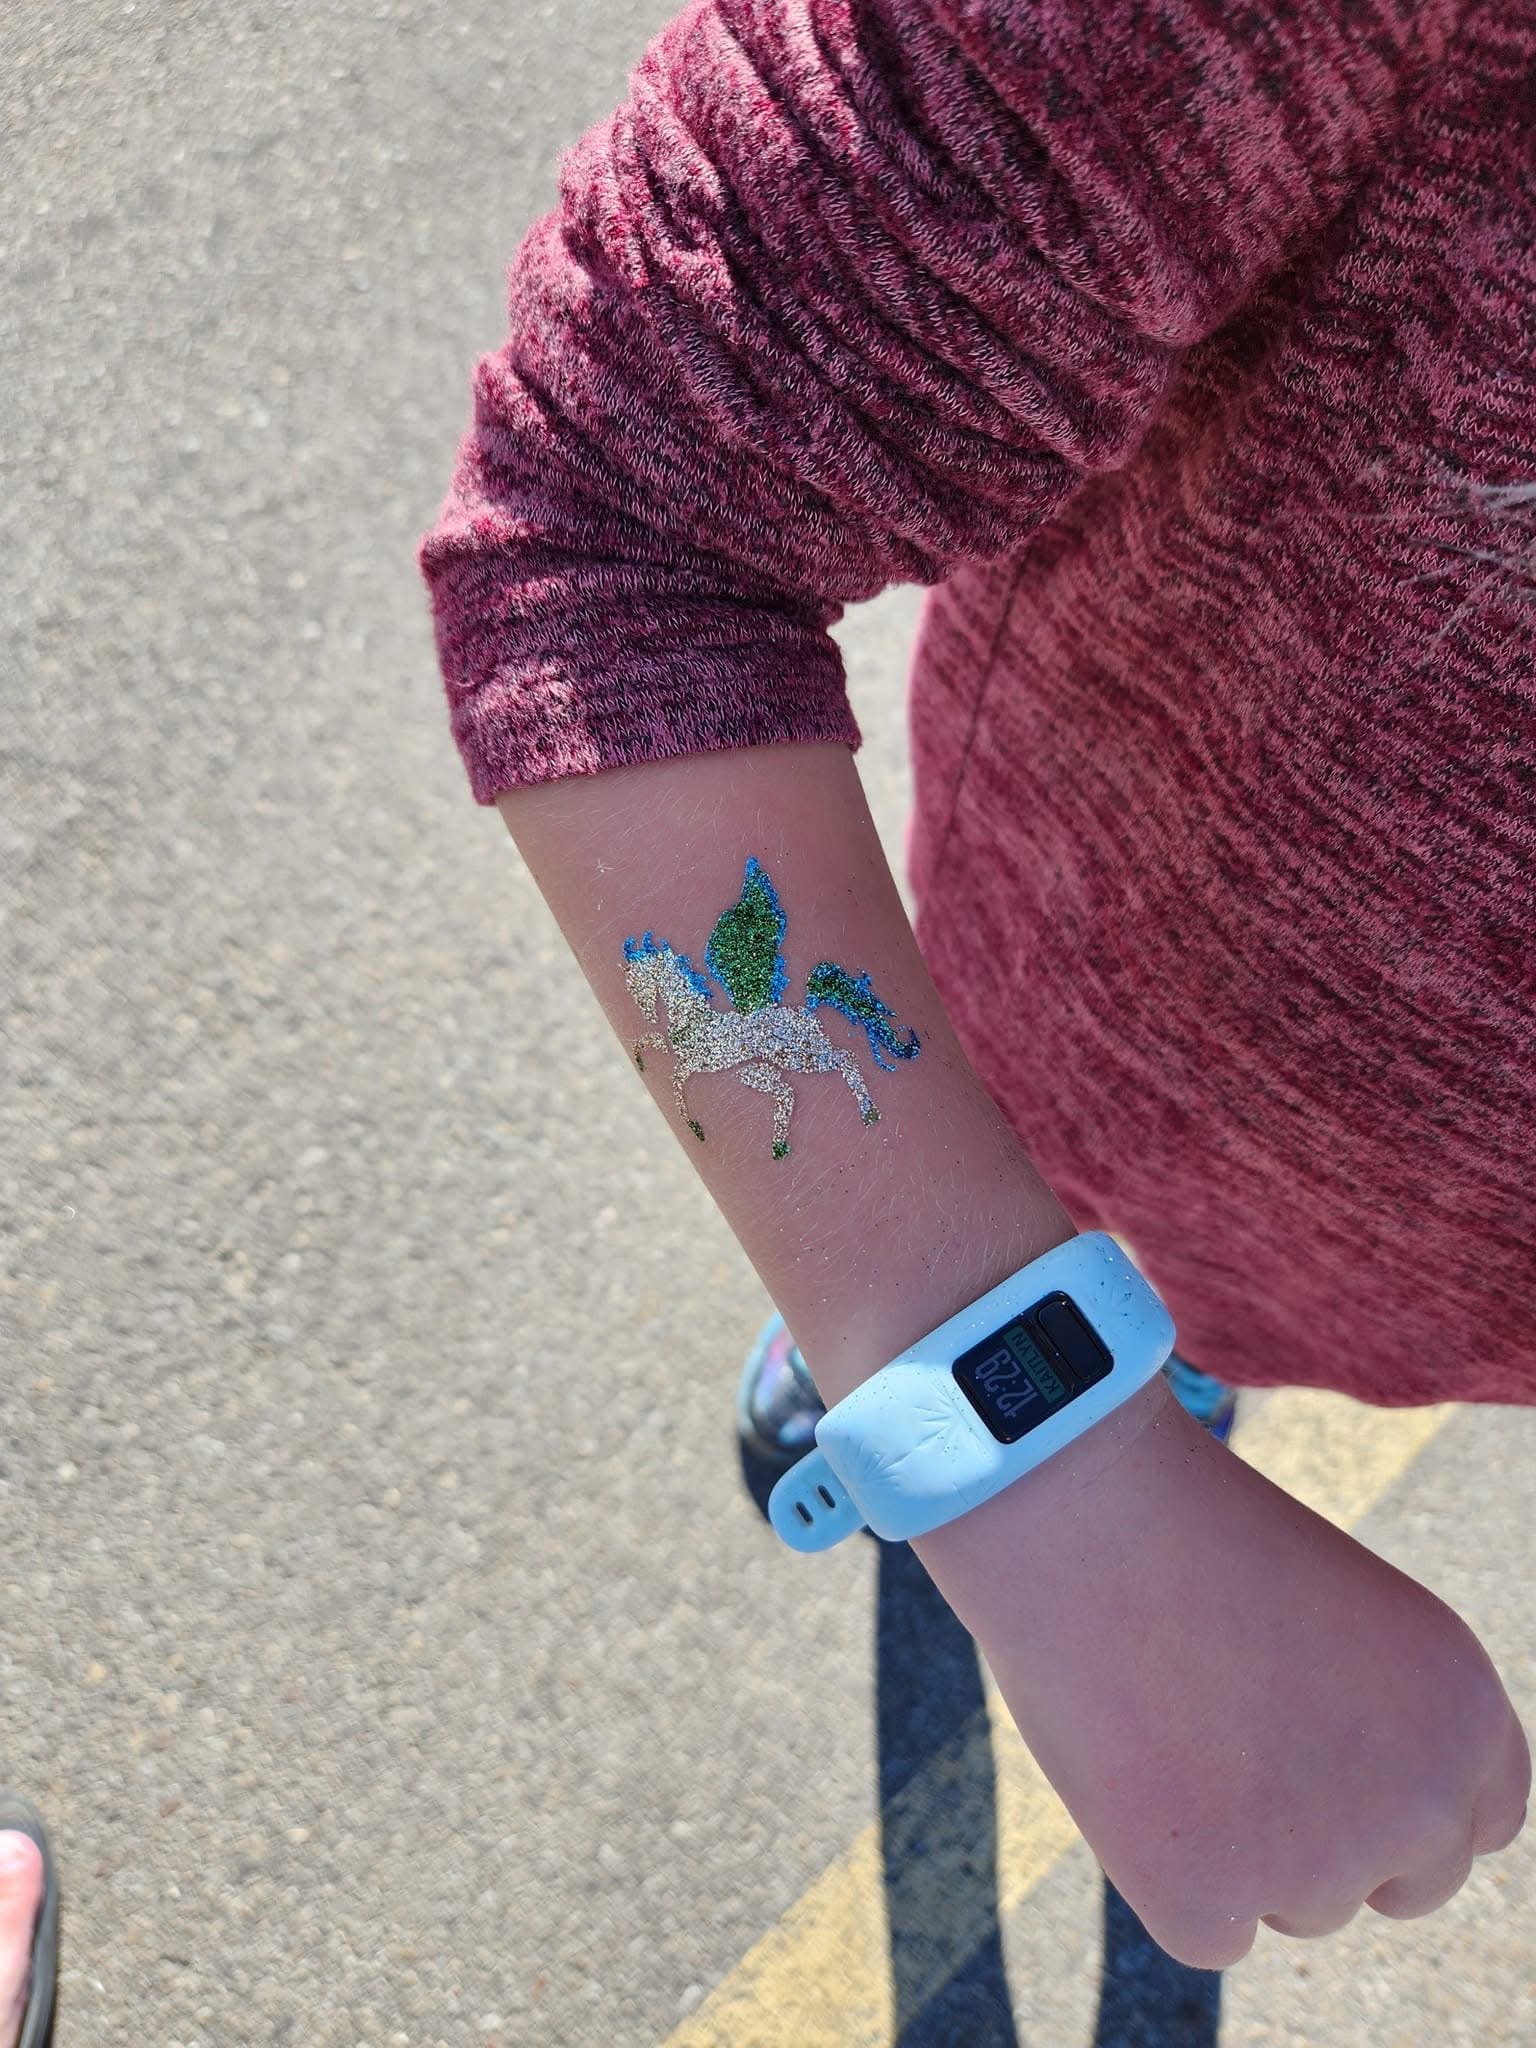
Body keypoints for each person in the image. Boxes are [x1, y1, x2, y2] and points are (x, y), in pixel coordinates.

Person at [416, 0, 1533, 1971]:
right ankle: (1059, 1332)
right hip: (1096, 1044)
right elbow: (620, 519)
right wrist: (1035, 1447)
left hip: (1403, 1258)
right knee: (1059, 1244)